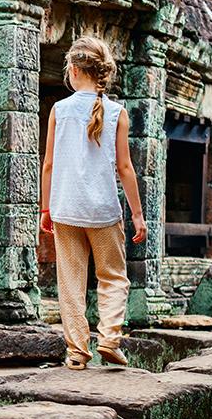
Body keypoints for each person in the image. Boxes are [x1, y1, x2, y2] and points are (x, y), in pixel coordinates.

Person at [40, 35, 148, 370]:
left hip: (66, 208)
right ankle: (110, 338)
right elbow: (125, 167)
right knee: (113, 276)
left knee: (70, 280)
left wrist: (45, 208)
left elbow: (49, 164)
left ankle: (77, 350)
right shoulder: (117, 112)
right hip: (103, 210)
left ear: (73, 70)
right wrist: (138, 215)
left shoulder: (59, 109)